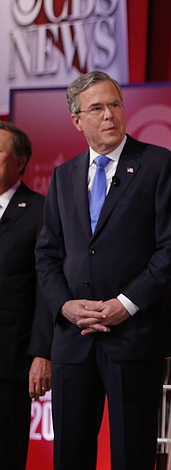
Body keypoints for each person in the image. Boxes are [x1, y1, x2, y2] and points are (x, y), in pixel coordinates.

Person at [35, 71, 171, 470]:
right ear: (77, 120)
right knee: (70, 453)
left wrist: (127, 303)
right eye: (97, 108)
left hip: (134, 337)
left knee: (132, 452)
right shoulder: (63, 175)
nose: (109, 115)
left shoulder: (158, 164)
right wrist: (65, 306)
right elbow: (48, 255)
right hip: (73, 339)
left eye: (115, 105)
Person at [0, 121, 52, 470]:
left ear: (20, 162)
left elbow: (46, 288)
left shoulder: (40, 211)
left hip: (9, 360)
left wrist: (42, 353)